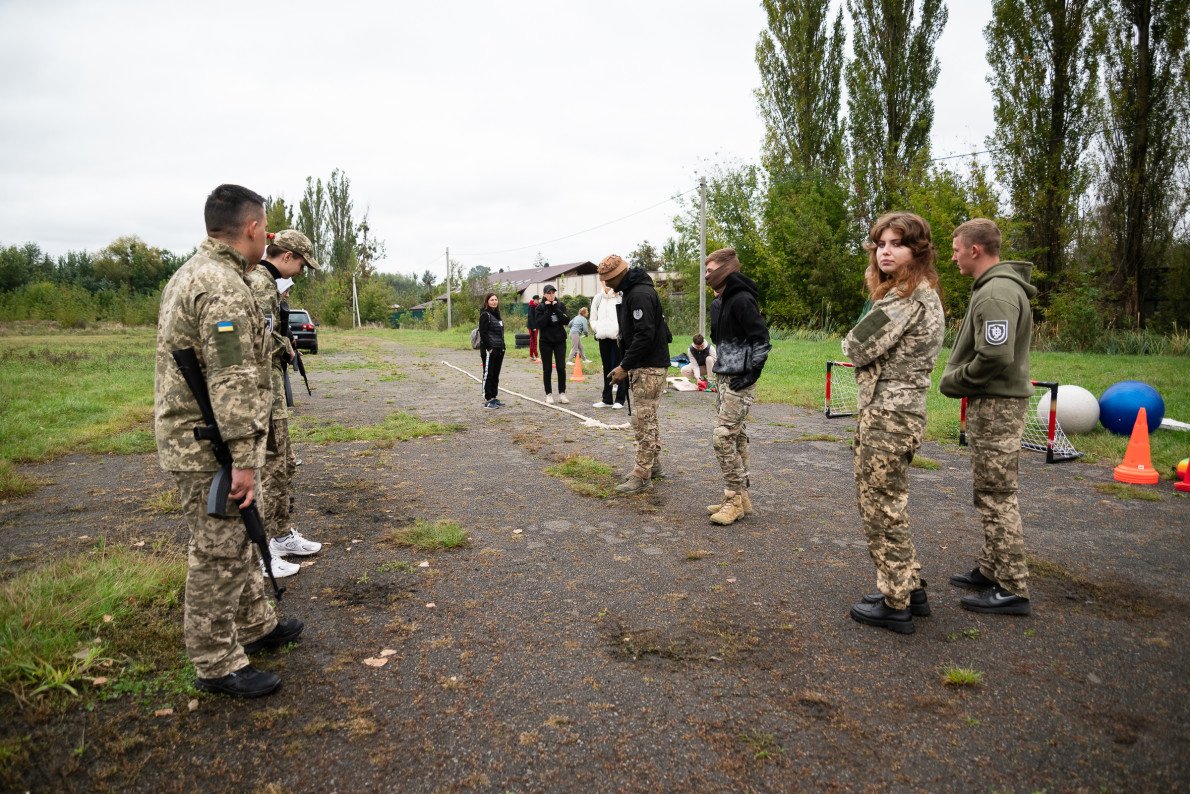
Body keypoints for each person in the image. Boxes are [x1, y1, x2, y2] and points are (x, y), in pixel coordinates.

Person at [154, 184, 302, 698]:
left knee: (239, 540)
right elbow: (232, 379)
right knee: (219, 549)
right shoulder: (221, 286)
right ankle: (215, 661)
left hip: (208, 438)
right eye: (267, 227)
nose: (268, 235)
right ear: (253, 228)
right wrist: (243, 459)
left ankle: (257, 625)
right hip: (208, 445)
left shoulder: (198, 272)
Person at [842, 212, 945, 634]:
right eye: (881, 243)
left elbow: (856, 345)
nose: (886, 250)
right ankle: (910, 585)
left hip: (888, 415)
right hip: (899, 412)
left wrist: (855, 338)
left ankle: (896, 601)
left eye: (897, 244)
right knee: (891, 502)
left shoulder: (904, 298)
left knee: (880, 507)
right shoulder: (916, 294)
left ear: (916, 251)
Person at [941, 218, 1037, 616]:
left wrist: (957, 380)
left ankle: (1013, 586)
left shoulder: (996, 293)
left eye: (956, 248)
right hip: (993, 403)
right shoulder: (994, 288)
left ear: (975, 250)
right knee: (988, 489)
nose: (953, 256)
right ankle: (991, 566)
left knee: (997, 495)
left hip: (997, 404)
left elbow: (995, 355)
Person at [246, 230, 324, 581]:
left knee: (283, 464)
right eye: (303, 264)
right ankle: (264, 549)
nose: (302, 271)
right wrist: (284, 346)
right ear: (288, 255)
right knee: (271, 467)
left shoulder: (268, 284)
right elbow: (255, 342)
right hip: (262, 391)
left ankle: (280, 534)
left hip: (273, 390)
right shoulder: (261, 285)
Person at [702, 248, 770, 525]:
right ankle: (741, 499)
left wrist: (752, 373)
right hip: (724, 377)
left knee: (722, 436)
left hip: (742, 380)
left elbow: (762, 340)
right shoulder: (719, 303)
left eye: (710, 270)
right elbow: (721, 342)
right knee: (737, 437)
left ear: (726, 269)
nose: (706, 275)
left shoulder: (742, 299)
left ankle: (732, 499)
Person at [601, 254, 671, 493]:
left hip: (648, 366)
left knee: (642, 420)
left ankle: (642, 474)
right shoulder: (634, 291)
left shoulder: (639, 294)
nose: (607, 285)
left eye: (609, 280)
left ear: (620, 275)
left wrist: (624, 365)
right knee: (648, 417)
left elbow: (644, 335)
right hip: (646, 364)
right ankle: (655, 465)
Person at [591, 283, 627, 409]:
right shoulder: (598, 298)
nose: (606, 282)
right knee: (606, 367)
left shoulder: (620, 296)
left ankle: (620, 399)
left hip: (617, 338)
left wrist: (620, 331)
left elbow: (624, 315)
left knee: (619, 366)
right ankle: (607, 399)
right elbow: (592, 318)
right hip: (603, 337)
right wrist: (597, 328)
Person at [534, 285, 571, 404]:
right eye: (548, 293)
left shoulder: (560, 305)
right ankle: (548, 394)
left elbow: (566, 320)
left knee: (561, 367)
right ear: (544, 295)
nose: (551, 295)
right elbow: (540, 324)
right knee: (547, 368)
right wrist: (549, 310)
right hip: (546, 342)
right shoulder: (540, 307)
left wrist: (556, 309)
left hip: (560, 340)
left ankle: (562, 393)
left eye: (553, 293)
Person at [478, 292, 506, 409]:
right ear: (487, 302)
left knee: (495, 374)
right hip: (490, 350)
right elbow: (483, 333)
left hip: (499, 349)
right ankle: (488, 399)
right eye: (491, 300)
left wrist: (503, 347)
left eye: (495, 299)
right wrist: (489, 348)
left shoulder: (497, 315)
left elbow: (500, 334)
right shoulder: (485, 315)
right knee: (488, 374)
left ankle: (494, 397)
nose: (494, 301)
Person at [526, 294, 540, 363]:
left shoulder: (536, 306)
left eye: (538, 300)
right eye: (537, 300)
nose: (538, 301)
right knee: (534, 341)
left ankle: (532, 355)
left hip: (535, 326)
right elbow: (530, 317)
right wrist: (534, 327)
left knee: (533, 341)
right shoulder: (531, 306)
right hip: (532, 327)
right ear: (534, 300)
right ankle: (535, 356)